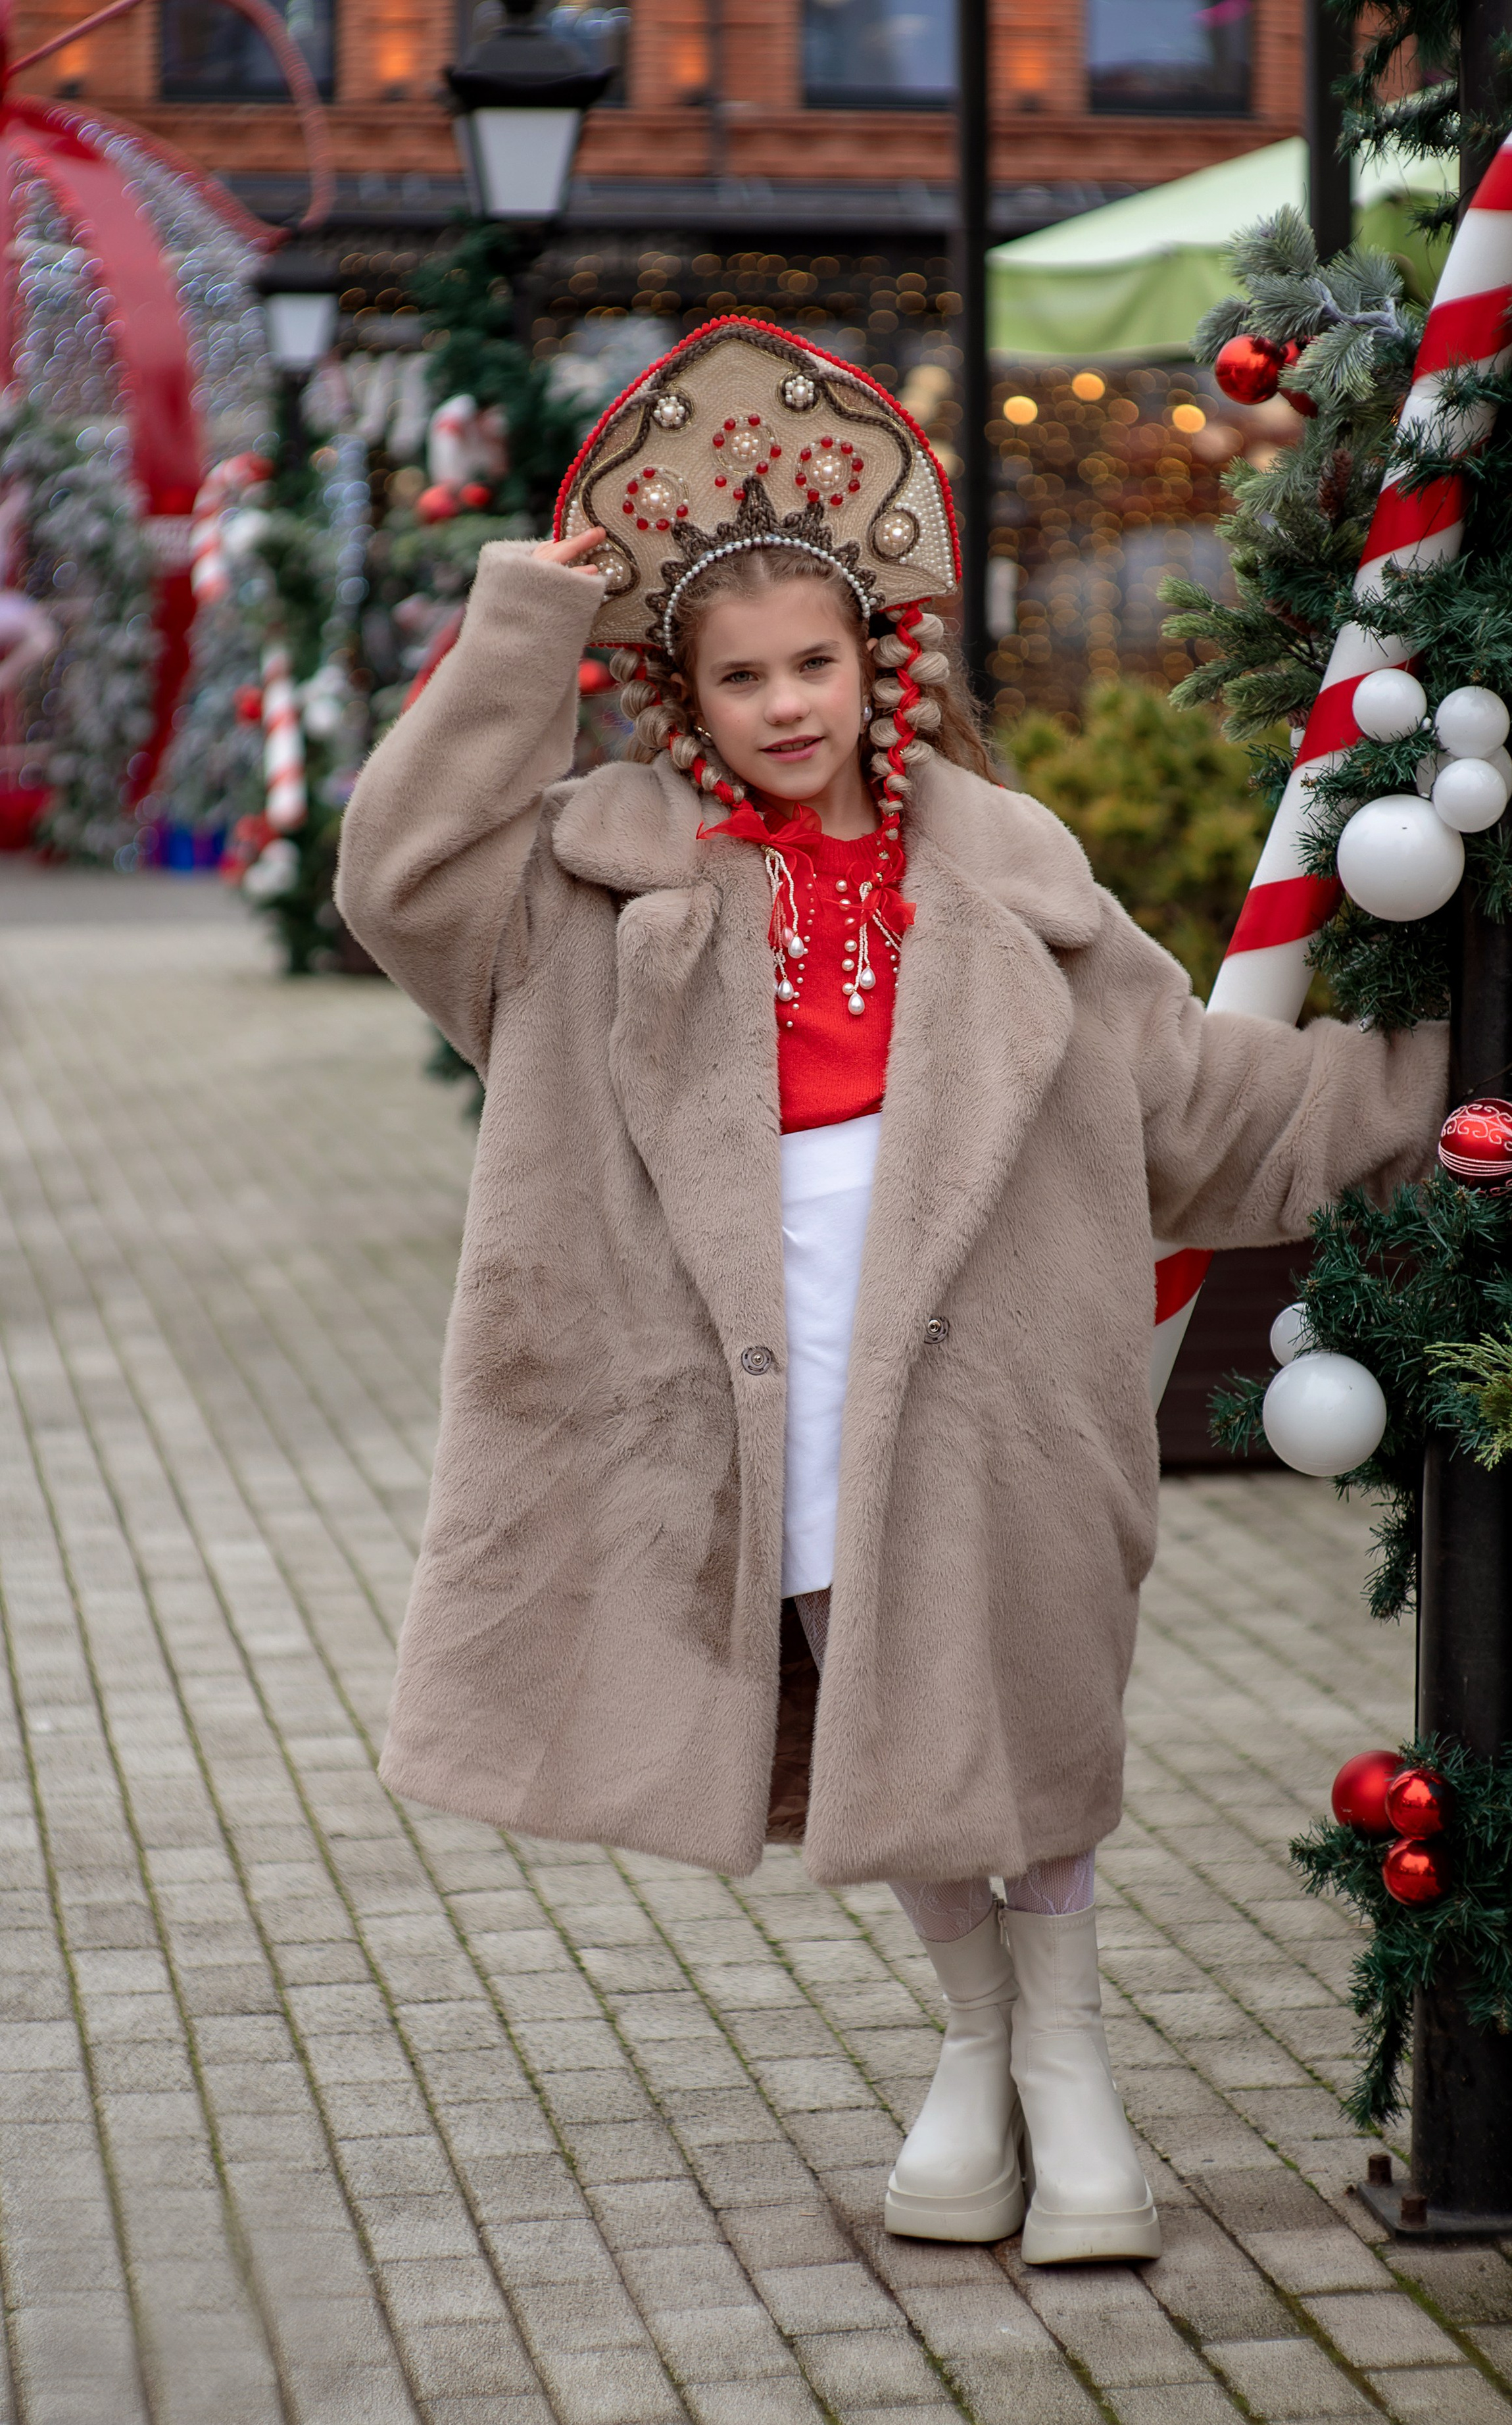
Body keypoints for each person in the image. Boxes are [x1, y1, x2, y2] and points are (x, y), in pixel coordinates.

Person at [338, 318, 1446, 2264]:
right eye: (738, 674)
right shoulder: (582, 903)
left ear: (881, 670)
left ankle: (1071, 2062)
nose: (785, 706)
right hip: (759, 1376)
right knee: (873, 1694)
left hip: (1002, 1381)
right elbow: (399, 869)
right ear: (678, 694)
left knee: (1009, 1692)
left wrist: (1451, 1070)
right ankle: (973, 2045)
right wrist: (537, 619)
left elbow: (1211, 1108)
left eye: (816, 665)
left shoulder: (1018, 890)